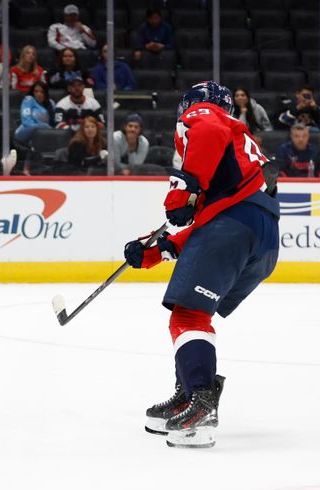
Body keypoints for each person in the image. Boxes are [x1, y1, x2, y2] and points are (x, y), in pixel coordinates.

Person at [123, 81, 280, 448]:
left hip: (232, 225)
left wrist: (184, 188)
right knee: (195, 313)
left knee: (189, 317)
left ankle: (200, 404)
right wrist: (155, 249)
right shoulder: (237, 145)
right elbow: (201, 220)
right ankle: (190, 392)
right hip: (262, 235)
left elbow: (206, 136)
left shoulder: (207, 116)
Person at [14, 81, 57, 175]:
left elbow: (54, 122)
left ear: (45, 93)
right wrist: (44, 128)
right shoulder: (28, 100)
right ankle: (26, 168)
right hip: (24, 132)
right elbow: (26, 121)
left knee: (36, 141)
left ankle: (29, 169)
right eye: (36, 91)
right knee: (39, 131)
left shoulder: (51, 103)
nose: (39, 94)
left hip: (42, 136)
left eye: (41, 92)